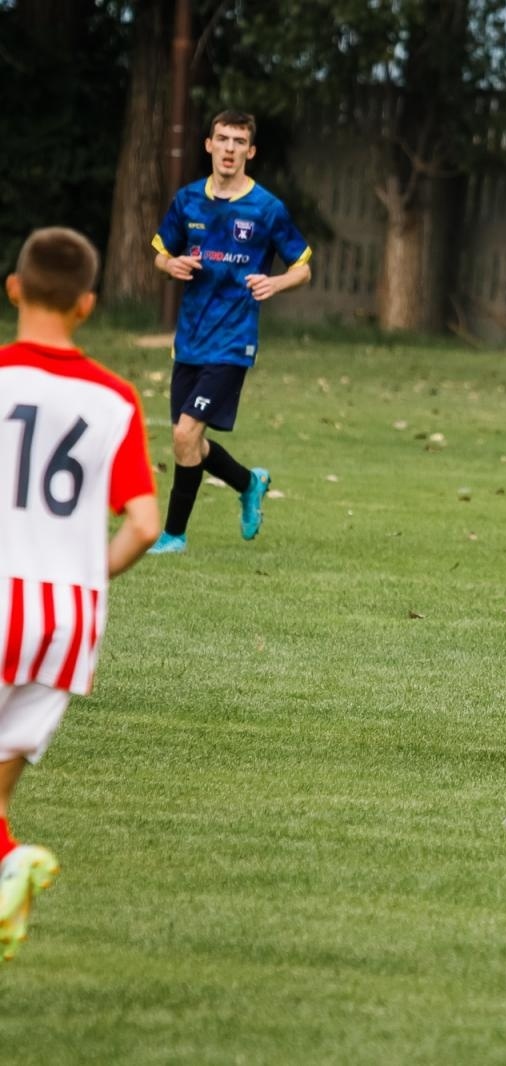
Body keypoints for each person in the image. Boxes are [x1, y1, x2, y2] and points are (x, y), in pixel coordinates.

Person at [0, 227, 161, 962]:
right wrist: (83, 576)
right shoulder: (114, 399)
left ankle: (11, 860)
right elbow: (145, 524)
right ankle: (9, 865)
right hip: (67, 619)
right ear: (87, 305)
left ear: (14, 288)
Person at [147, 108, 312, 554]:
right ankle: (249, 482)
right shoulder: (187, 201)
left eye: (239, 142)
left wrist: (275, 283)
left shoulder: (267, 209)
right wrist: (170, 264)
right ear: (209, 145)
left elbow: (303, 268)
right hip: (190, 339)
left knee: (185, 434)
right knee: (189, 443)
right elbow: (161, 254)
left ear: (250, 152)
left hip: (234, 340)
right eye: (222, 139)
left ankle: (174, 535)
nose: (229, 149)